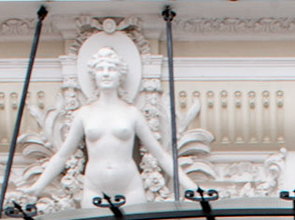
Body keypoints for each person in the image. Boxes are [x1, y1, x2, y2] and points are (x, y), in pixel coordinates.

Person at [24, 36, 179, 209]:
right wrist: (37, 187)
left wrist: (193, 188)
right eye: (101, 68)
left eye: (111, 68)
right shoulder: (84, 114)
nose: (105, 73)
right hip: (94, 190)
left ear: (120, 75)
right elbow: (62, 155)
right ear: (93, 75)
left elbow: (161, 155)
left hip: (130, 188)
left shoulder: (131, 113)